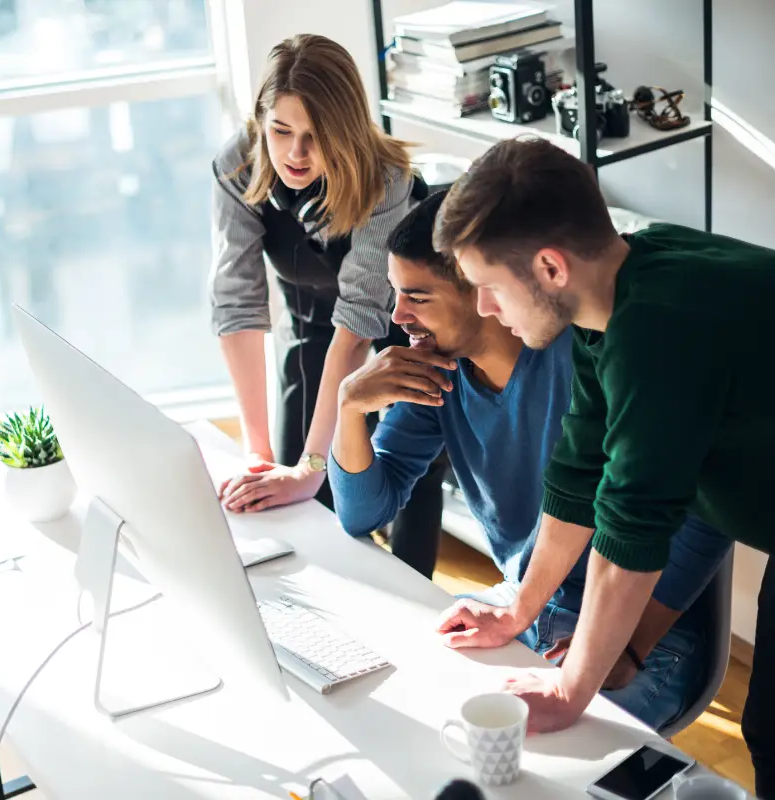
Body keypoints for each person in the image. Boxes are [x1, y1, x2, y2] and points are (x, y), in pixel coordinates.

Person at [434, 137, 775, 797]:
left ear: (550, 268)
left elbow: (630, 535)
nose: (483, 310)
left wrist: (568, 691)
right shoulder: (618, 293)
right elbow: (578, 475)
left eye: (488, 287)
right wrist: (518, 611)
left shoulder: (659, 330)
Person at [328, 191, 730, 732]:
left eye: (417, 298)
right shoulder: (434, 374)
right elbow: (362, 514)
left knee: (532, 766)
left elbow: (709, 509)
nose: (398, 317)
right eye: (396, 295)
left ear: (482, 290)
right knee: (391, 703)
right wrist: (349, 406)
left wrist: (627, 648)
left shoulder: (588, 356)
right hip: (522, 606)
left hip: (635, 633)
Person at [208, 34, 445, 577]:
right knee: (290, 488)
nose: (295, 153)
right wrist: (259, 455)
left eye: (315, 137)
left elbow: (360, 322)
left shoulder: (387, 181)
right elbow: (237, 301)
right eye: (281, 131)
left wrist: (314, 466)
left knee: (396, 471)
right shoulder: (236, 167)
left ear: (346, 131)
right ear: (260, 123)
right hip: (311, 321)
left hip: (394, 330)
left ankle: (410, 597)